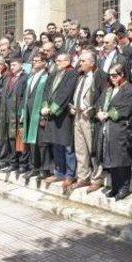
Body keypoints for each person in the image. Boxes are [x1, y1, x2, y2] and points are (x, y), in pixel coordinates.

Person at [95, 63, 132, 200]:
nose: (112, 78)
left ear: (122, 75)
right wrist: (99, 112)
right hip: (106, 128)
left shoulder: (130, 89)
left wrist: (107, 114)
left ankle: (124, 187)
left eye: (115, 75)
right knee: (110, 157)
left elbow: (126, 108)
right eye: (110, 76)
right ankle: (115, 186)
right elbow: (99, 103)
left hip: (120, 129)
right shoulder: (109, 89)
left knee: (122, 158)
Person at [69, 51, 105, 193]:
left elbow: (103, 95)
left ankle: (97, 179)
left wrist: (93, 109)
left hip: (89, 117)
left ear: (92, 62)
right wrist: (73, 106)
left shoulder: (99, 76)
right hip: (77, 116)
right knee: (80, 148)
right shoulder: (81, 76)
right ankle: (83, 177)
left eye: (83, 61)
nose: (80, 63)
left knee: (92, 149)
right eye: (80, 60)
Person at [41, 53, 78, 189]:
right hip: (51, 113)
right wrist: (45, 105)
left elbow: (66, 93)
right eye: (56, 60)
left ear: (68, 61)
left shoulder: (72, 74)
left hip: (63, 114)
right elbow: (46, 91)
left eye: (60, 60)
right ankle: (59, 172)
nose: (57, 62)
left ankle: (70, 175)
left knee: (67, 146)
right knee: (56, 144)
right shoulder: (53, 74)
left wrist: (53, 108)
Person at [20, 54, 49, 178]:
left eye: (38, 60)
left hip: (40, 114)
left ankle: (44, 168)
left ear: (44, 63)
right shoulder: (31, 77)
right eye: (34, 60)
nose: (35, 62)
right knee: (32, 142)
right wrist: (23, 112)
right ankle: (34, 167)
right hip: (29, 113)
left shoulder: (47, 77)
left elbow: (48, 96)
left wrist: (43, 116)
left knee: (41, 143)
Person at [0, 57, 28, 173]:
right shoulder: (9, 78)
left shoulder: (25, 78)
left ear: (21, 65)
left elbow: (25, 96)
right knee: (10, 139)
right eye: (11, 65)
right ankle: (13, 162)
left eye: (14, 65)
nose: (12, 67)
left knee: (20, 139)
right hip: (8, 113)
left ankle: (23, 163)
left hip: (19, 113)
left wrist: (21, 111)